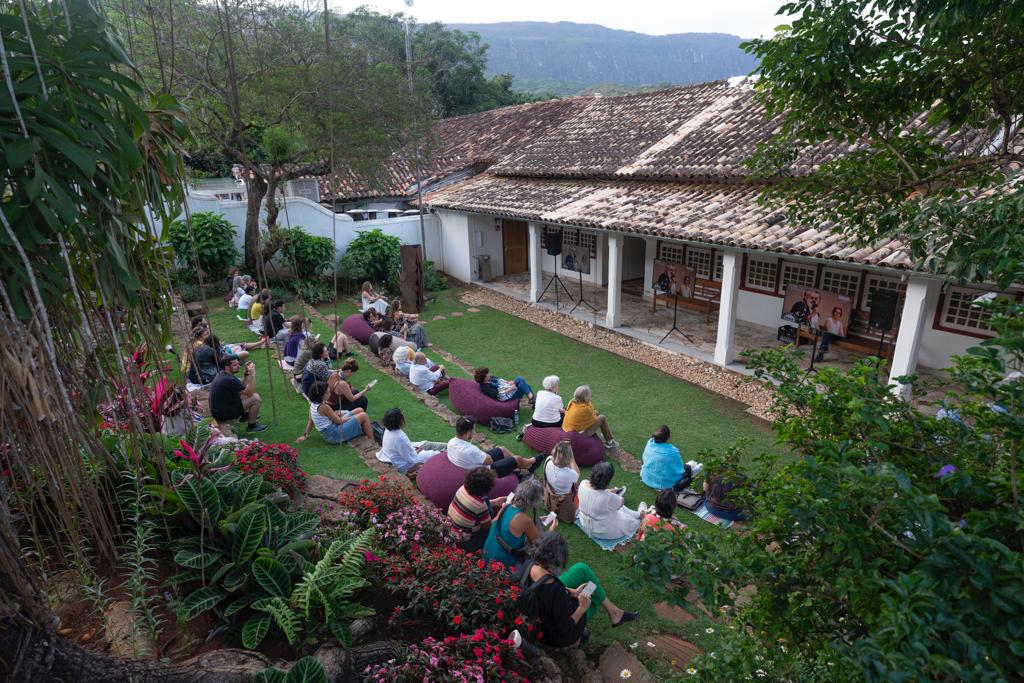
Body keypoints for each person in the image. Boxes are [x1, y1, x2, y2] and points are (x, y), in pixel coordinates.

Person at [523, 533, 639, 647]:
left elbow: (546, 592)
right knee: (591, 603)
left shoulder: (530, 566)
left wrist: (571, 592)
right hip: (555, 637)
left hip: (540, 619)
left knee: (582, 573)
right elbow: (565, 628)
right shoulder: (555, 588)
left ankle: (614, 614)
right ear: (558, 559)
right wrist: (582, 607)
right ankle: (579, 637)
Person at [483, 478, 553, 568]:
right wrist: (551, 530)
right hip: (501, 566)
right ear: (535, 500)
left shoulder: (506, 506)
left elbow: (496, 523)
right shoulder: (524, 520)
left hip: (487, 555)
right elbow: (539, 543)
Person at [447, 416, 536, 477]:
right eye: (473, 430)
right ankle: (531, 462)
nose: (474, 432)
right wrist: (482, 454)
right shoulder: (470, 450)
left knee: (502, 450)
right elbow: (489, 461)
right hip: (485, 474)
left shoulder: (451, 442)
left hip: (472, 463)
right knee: (516, 459)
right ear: (467, 433)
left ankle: (525, 465)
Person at [448, 466, 509, 552]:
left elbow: (473, 505)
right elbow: (490, 527)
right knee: (494, 534)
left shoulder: (463, 488)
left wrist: (495, 502)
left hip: (450, 528)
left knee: (486, 502)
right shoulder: (480, 505)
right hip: (464, 542)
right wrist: (502, 510)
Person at [577, 462, 643, 540]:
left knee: (612, 506)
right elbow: (621, 502)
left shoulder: (583, 483)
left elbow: (594, 494)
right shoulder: (607, 497)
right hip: (603, 531)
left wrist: (609, 492)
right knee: (632, 522)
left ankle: (638, 514)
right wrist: (613, 493)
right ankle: (640, 515)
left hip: (584, 523)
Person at [297, 380, 373, 444]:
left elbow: (311, 420)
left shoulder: (313, 404)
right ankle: (372, 441)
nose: (330, 394)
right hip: (333, 434)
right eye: (327, 393)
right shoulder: (324, 407)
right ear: (321, 396)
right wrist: (354, 417)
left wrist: (305, 435)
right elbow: (338, 421)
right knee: (363, 415)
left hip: (331, 429)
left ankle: (363, 430)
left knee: (359, 410)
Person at [376, 408, 446, 475]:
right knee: (435, 454)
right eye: (402, 415)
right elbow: (411, 459)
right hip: (404, 464)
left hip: (399, 455)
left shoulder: (389, 429)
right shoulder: (399, 438)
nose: (404, 415)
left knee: (426, 444)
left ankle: (448, 445)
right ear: (399, 420)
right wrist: (419, 450)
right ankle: (448, 451)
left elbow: (405, 450)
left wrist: (416, 448)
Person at [208, 356, 268, 433]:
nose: (239, 366)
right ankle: (252, 426)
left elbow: (240, 386)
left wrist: (246, 374)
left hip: (219, 410)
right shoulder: (228, 379)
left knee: (243, 393)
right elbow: (250, 392)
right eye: (235, 365)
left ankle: (244, 416)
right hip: (223, 414)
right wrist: (252, 375)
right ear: (227, 367)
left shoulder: (223, 374)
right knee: (256, 398)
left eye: (238, 364)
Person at [562, 385, 618, 450]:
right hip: (577, 435)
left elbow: (591, 413)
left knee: (595, 413)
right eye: (589, 394)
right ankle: (610, 442)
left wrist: (594, 412)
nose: (591, 395)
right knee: (602, 418)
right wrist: (594, 413)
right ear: (585, 397)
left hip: (566, 429)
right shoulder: (585, 409)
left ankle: (603, 435)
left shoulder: (572, 401)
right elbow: (594, 419)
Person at [640, 425, 692, 492]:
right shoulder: (672, 452)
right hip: (663, 484)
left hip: (646, 477)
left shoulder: (650, 442)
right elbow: (679, 469)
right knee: (687, 468)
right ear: (668, 437)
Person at [544, 440, 580, 524]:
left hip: (550, 494)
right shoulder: (570, 474)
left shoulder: (548, 460)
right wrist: (572, 457)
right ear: (569, 456)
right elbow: (578, 473)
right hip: (565, 501)